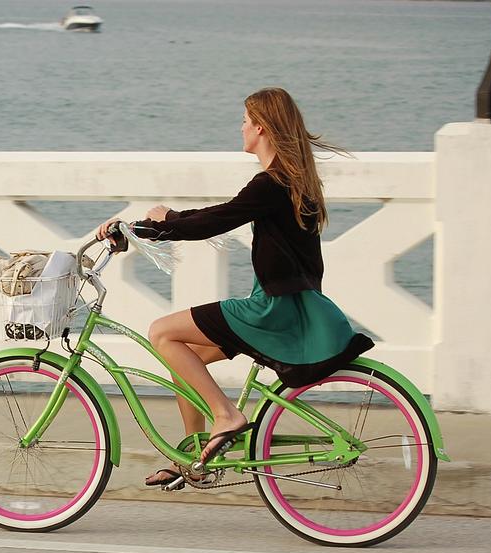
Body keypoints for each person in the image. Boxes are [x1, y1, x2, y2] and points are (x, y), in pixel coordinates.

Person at [96, 87, 374, 487]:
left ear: (261, 127)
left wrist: (161, 222)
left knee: (161, 332)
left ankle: (226, 416)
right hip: (290, 305)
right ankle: (193, 456)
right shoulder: (294, 181)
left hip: (272, 309)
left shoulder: (272, 183)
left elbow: (217, 219)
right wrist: (149, 230)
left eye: (245, 120)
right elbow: (222, 216)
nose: (240, 127)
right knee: (183, 358)